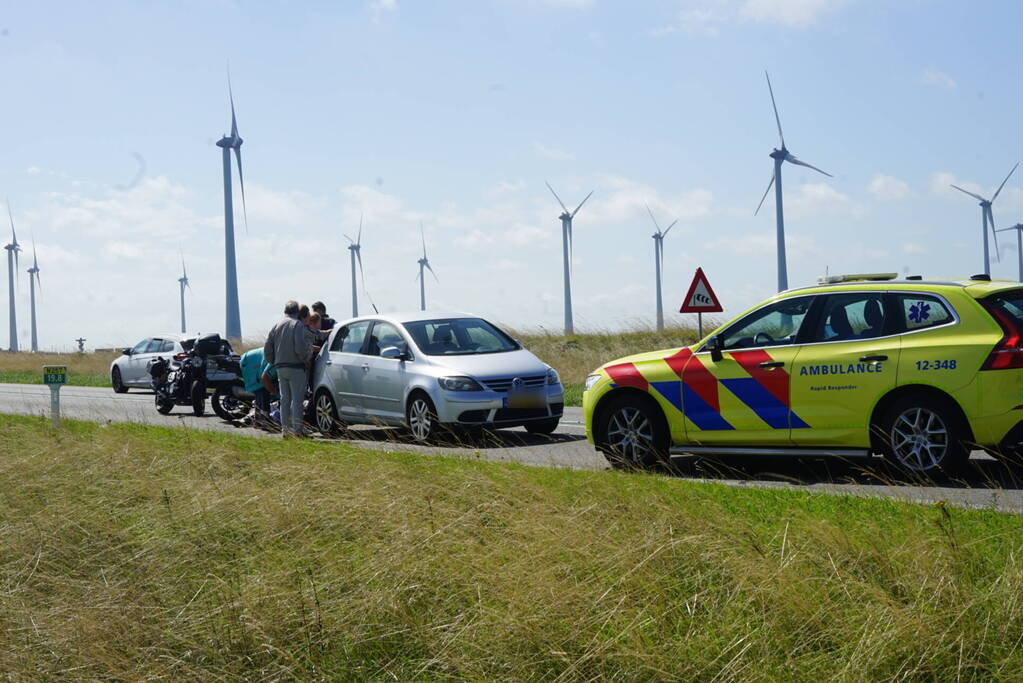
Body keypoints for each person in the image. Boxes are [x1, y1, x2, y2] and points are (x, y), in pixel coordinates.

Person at [264, 300, 312, 437]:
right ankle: (297, 431)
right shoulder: (297, 325)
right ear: (297, 311)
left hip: (280, 367)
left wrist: (274, 361)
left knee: (284, 400)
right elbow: (300, 348)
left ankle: (285, 430)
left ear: (285, 311)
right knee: (297, 400)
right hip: (296, 367)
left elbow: (267, 348)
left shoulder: (276, 326)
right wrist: (306, 360)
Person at [239, 347, 276, 429]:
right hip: (249, 363)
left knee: (260, 394)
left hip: (251, 360)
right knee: (262, 392)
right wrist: (274, 391)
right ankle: (264, 421)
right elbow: (264, 378)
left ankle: (258, 420)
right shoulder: (275, 361)